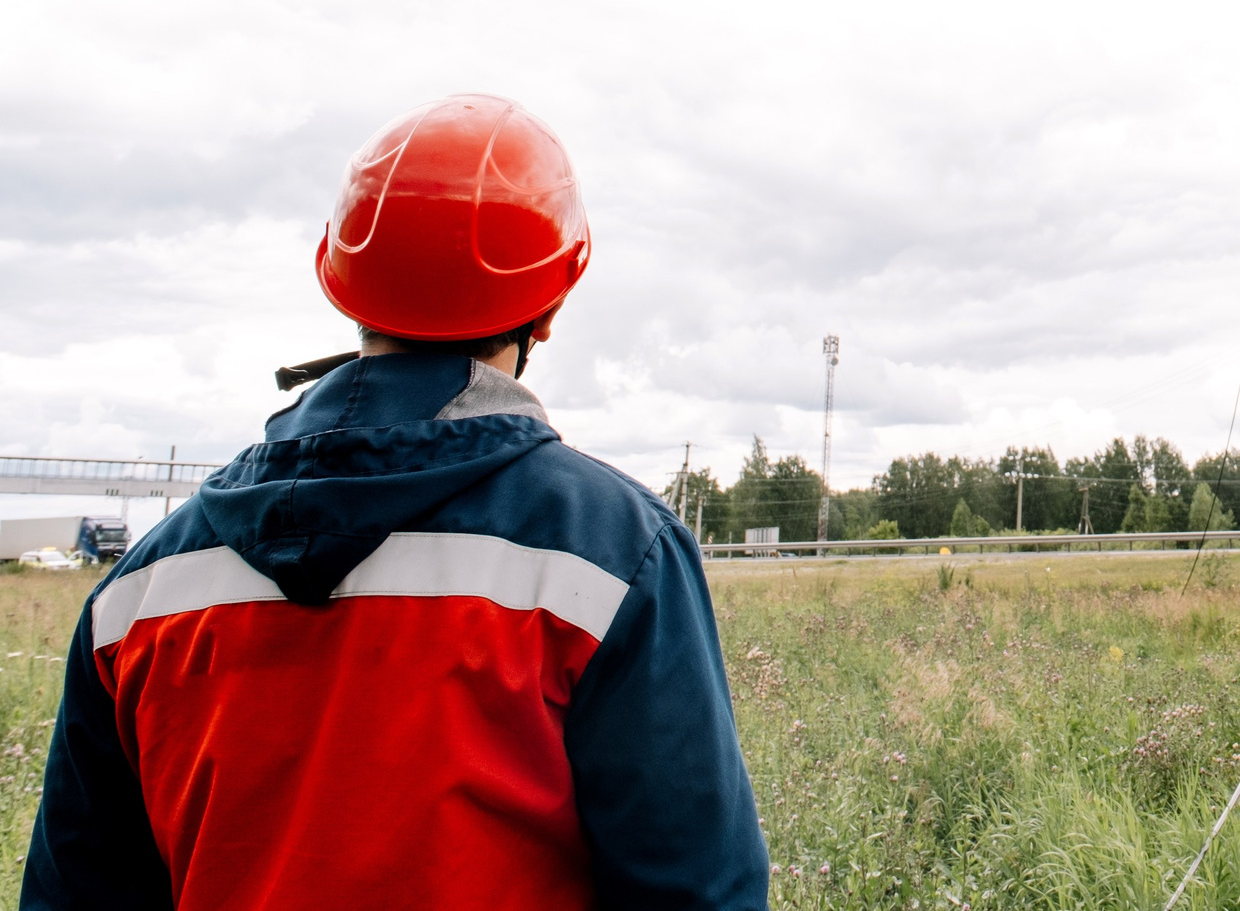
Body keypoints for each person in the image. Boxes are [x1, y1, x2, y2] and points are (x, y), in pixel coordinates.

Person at [23, 94, 768, 910]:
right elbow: (699, 890)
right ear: (549, 306)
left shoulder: (137, 596)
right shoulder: (617, 554)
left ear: (345, 288)